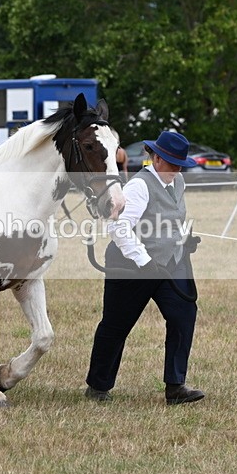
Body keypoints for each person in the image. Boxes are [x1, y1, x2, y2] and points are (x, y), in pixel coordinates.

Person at [85, 130, 204, 405]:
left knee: (184, 315)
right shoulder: (138, 186)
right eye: (173, 163)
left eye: (180, 165)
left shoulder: (178, 182)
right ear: (157, 158)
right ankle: (98, 387)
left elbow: (169, 220)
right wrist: (144, 260)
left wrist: (184, 241)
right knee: (117, 325)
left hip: (170, 264)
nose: (177, 169)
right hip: (131, 266)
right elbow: (117, 226)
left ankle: (175, 387)